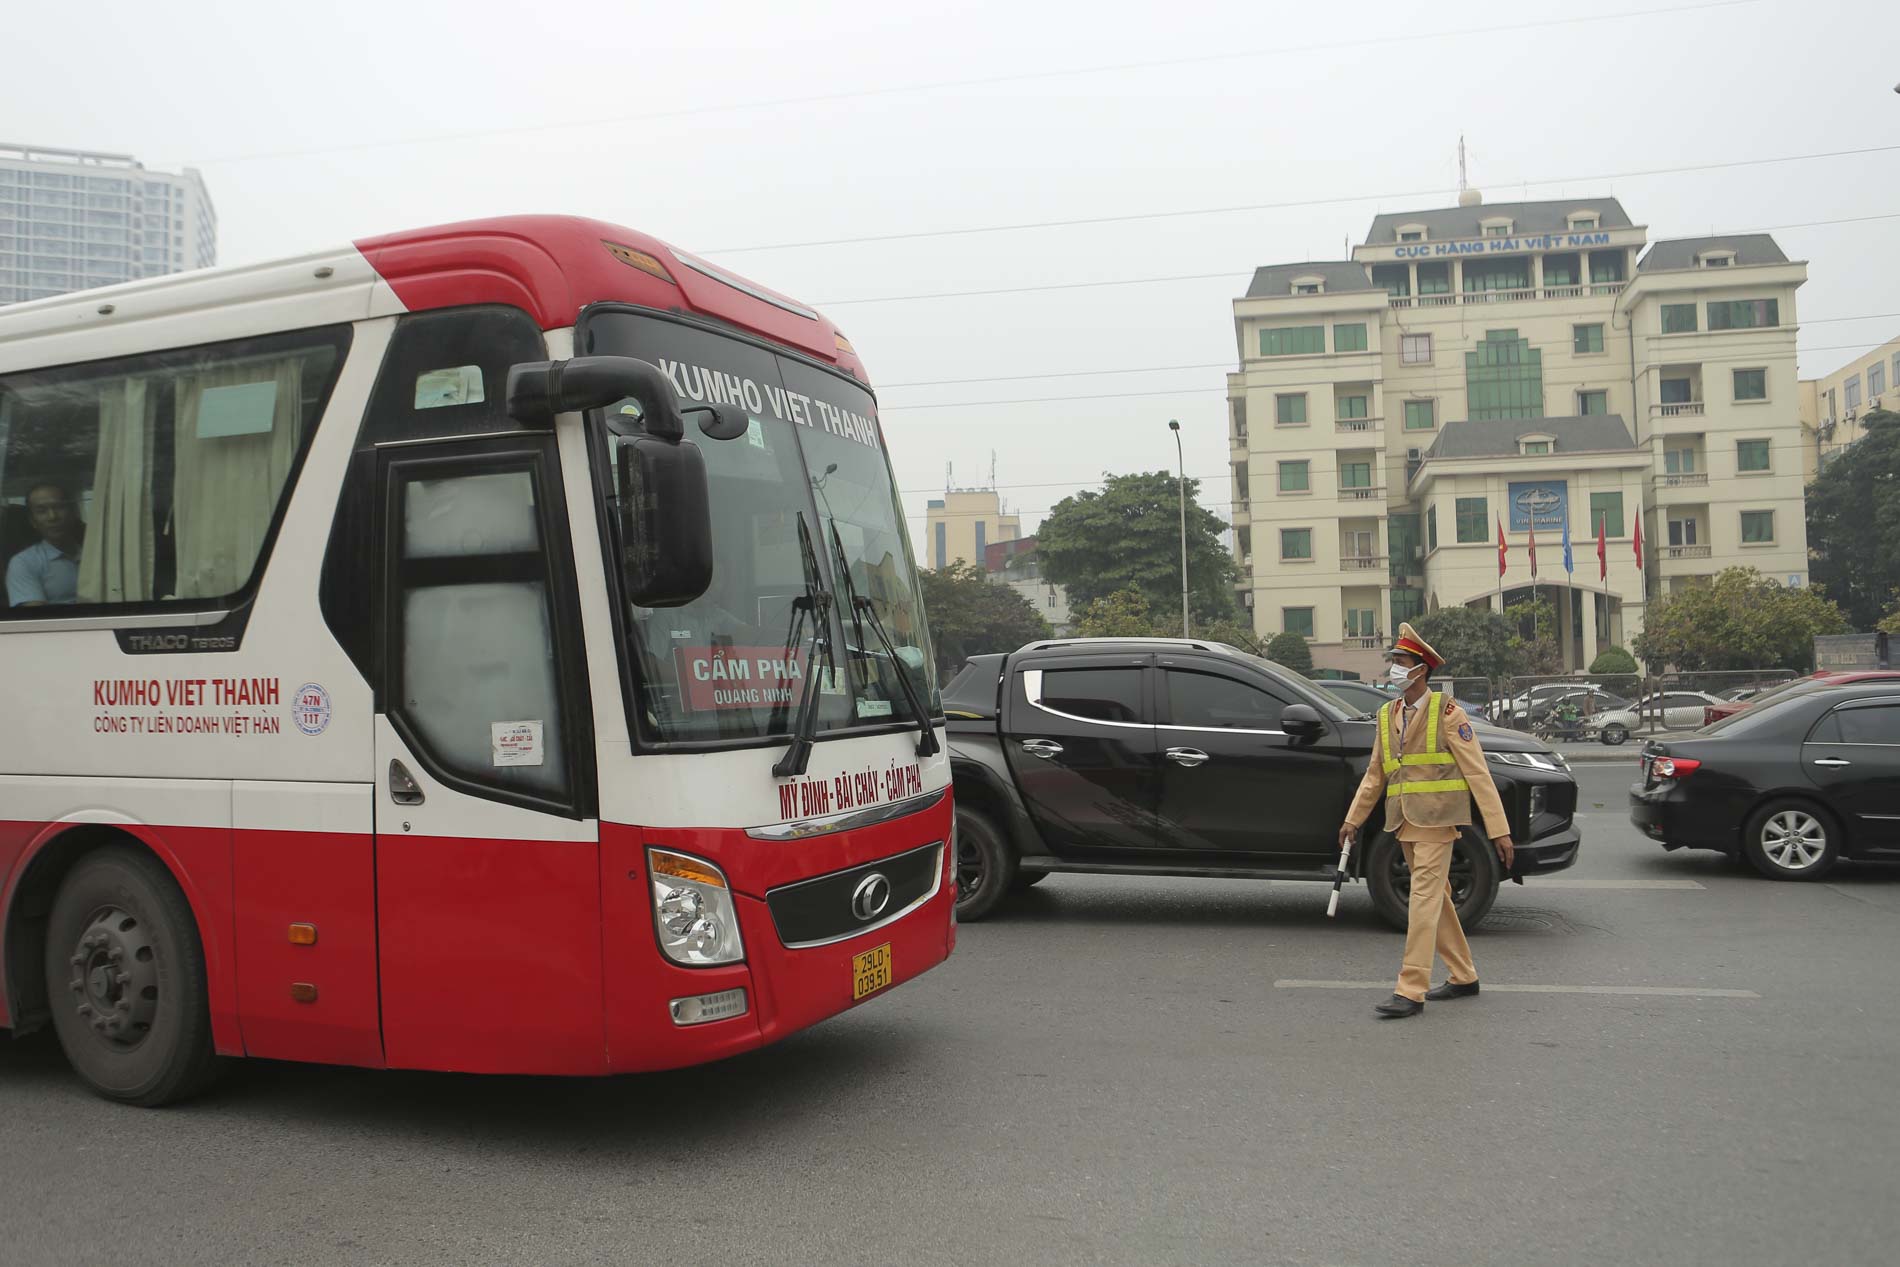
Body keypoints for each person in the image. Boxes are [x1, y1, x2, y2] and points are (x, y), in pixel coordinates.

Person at [1337, 623, 1514, 1019]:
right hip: (1403, 823)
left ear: (1421, 670)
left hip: (1437, 823)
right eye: (1394, 662)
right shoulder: (1387, 715)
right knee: (1438, 900)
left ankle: (1410, 988)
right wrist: (1354, 819)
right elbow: (1375, 775)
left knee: (1421, 901)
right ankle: (1464, 975)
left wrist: (1499, 830)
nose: (1394, 669)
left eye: (1400, 662)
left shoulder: (1448, 713)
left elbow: (1478, 773)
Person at [6, 482, 84, 607]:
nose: (52, 517)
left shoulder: (97, 553)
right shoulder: (24, 563)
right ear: (33, 521)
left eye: (59, 507)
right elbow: (34, 619)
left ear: (73, 512)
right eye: (41, 511)